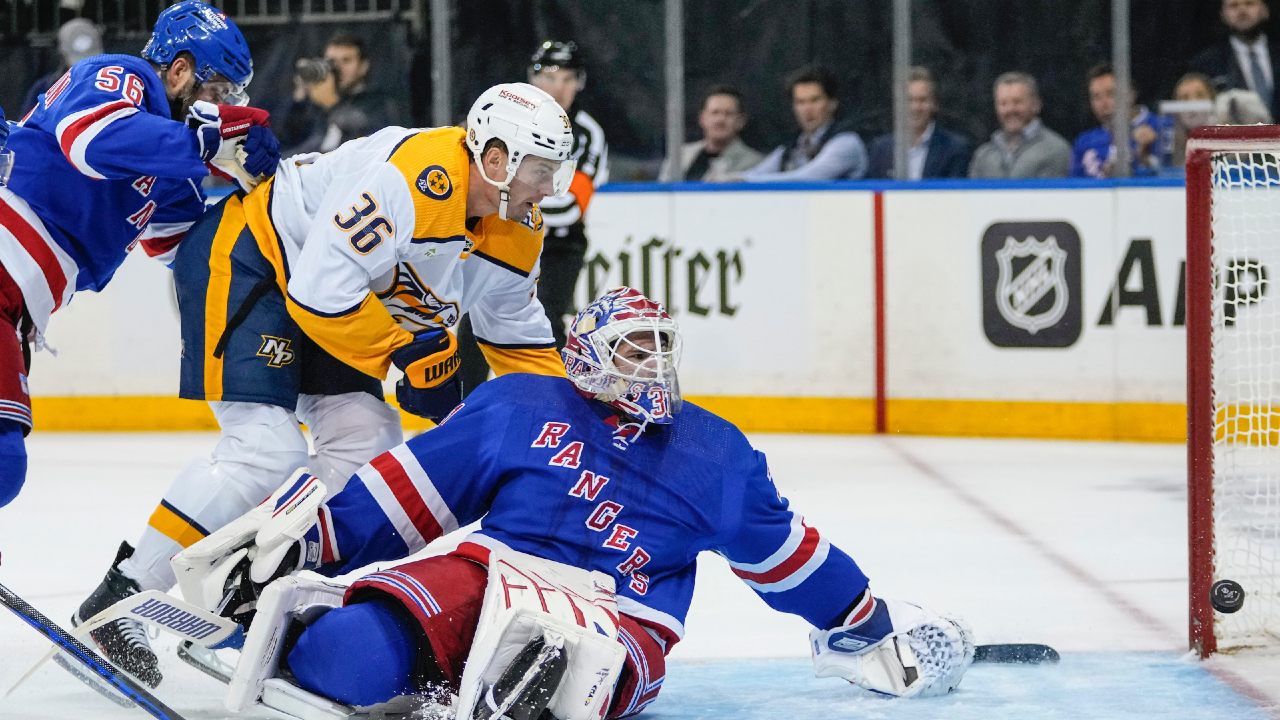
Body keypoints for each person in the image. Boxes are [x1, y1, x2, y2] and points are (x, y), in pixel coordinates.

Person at [174, 287, 976, 717]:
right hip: (490, 571)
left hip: (618, 618)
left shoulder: (717, 452)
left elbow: (794, 562)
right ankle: (288, 632)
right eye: (634, 351)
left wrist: (867, 628)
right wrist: (311, 541)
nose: (652, 368)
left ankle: (486, 691)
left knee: (560, 681)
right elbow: (406, 495)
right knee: (337, 663)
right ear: (588, 356)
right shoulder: (521, 404)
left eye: (661, 351)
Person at [73, 82, 575, 689]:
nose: (551, 187)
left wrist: (565, 420)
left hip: (335, 295)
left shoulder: (517, 224)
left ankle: (248, 582)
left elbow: (515, 332)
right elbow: (318, 291)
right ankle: (119, 597)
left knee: (366, 446)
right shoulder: (414, 178)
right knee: (263, 448)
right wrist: (405, 357)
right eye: (541, 169)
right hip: (255, 256)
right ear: (496, 159)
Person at [0, 0, 276, 512]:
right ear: (179, 71)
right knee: (3, 462)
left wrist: (278, 215)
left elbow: (193, 250)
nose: (219, 108)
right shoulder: (116, 74)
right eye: (216, 94)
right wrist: (212, 141)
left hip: (16, 302)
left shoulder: (170, 166)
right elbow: (92, 141)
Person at [457, 41, 609, 395]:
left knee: (546, 322)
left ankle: (552, 407)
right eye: (549, 76)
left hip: (557, 247)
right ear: (532, 79)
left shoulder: (587, 133)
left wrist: (506, 201)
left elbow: (572, 207)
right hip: (498, 233)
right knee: (473, 325)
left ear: (580, 83)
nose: (558, 87)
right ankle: (457, 411)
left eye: (568, 78)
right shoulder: (506, 119)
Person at [278, 33, 399, 155]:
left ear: (363, 66)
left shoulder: (378, 103)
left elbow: (364, 138)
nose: (337, 68)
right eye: (331, 62)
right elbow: (286, 137)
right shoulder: (317, 103)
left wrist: (333, 104)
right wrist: (300, 96)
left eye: (346, 61)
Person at [743, 67, 867, 181]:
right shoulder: (793, 145)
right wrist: (732, 179)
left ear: (832, 103)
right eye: (800, 102)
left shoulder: (846, 142)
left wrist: (746, 180)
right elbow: (757, 173)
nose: (807, 109)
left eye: (815, 100)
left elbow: (808, 178)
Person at [866, 67, 972, 180]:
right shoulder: (881, 149)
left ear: (934, 104)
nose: (916, 107)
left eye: (922, 100)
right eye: (909, 100)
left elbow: (955, 194)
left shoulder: (954, 149)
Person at [1070, 64, 1172, 178]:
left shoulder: (1166, 128)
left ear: (1131, 94)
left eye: (1111, 94)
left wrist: (1147, 159)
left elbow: (1177, 178)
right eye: (1096, 97)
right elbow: (1075, 190)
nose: (1104, 104)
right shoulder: (1084, 142)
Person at [1188, 0, 1280, 121]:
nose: (1242, 11)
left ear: (1265, 10)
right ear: (1222, 14)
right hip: (1233, 137)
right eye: (1233, 5)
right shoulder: (1206, 63)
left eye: (1249, 3)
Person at [968, 72, 1071, 179]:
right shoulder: (983, 155)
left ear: (1036, 105)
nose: (1010, 109)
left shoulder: (1055, 150)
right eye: (1003, 103)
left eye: (1017, 102)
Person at [659, 85, 764, 181]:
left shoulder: (754, 164)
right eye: (715, 113)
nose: (720, 120)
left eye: (728, 114)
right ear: (702, 118)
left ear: (740, 121)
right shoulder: (680, 156)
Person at [19, 18, 103, 116]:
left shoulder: (119, 84)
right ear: (62, 55)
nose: (85, 71)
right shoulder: (44, 89)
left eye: (91, 63)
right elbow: (25, 127)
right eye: (78, 66)